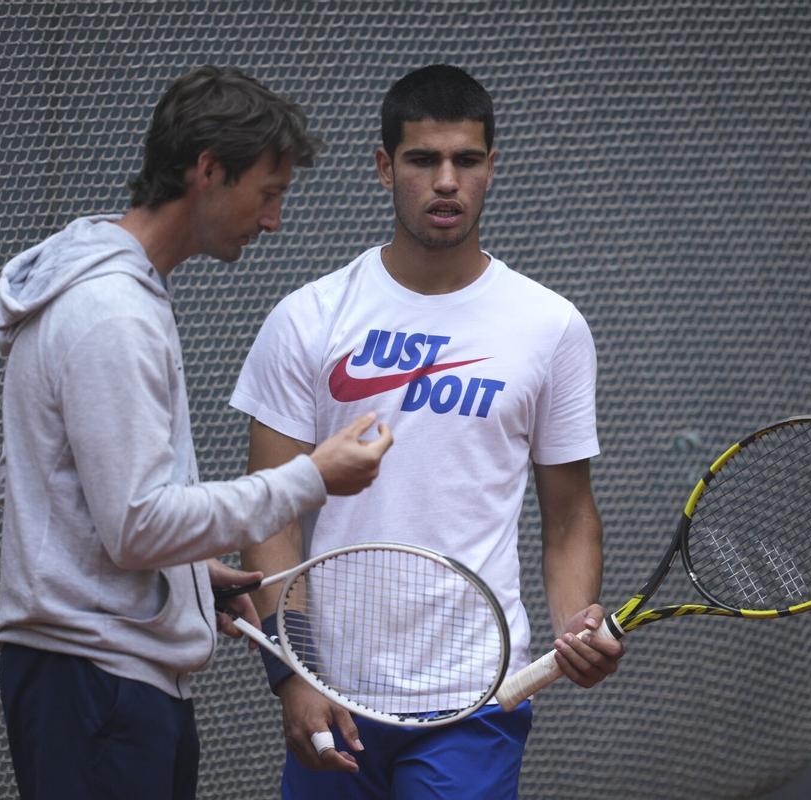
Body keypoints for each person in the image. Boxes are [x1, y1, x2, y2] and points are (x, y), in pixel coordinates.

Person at [0, 66, 393, 800]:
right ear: (209, 171)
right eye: (267, 194)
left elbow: (87, 504)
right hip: (97, 682)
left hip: (107, 674)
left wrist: (189, 577)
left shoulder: (116, 295)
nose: (272, 220)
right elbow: (138, 526)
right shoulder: (111, 314)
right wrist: (310, 478)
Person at [230, 64, 623, 798]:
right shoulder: (307, 318)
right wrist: (294, 673)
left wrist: (576, 627)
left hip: (475, 700)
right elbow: (269, 515)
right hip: (334, 694)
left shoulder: (551, 327)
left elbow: (570, 518)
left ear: (491, 169)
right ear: (384, 168)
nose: (446, 181)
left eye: (466, 160)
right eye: (422, 160)